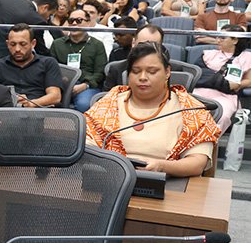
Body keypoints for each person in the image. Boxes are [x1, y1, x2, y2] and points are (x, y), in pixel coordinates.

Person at [86, 42, 221, 176]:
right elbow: (86, 147)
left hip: (169, 182)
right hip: (109, 179)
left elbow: (197, 163)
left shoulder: (190, 109)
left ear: (167, 72)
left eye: (152, 71)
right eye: (136, 71)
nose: (142, 77)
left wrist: (162, 166)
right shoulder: (109, 103)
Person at [193, 26, 251, 131]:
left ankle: (209, 140)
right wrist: (223, 82)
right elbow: (197, 74)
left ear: (235, 40)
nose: (218, 40)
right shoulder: (208, 54)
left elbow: (249, 81)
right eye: (218, 37)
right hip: (198, 92)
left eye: (222, 38)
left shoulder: (247, 57)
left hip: (226, 96)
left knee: (221, 116)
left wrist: (238, 84)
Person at [0, 24, 63, 108]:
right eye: (13, 44)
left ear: (33, 43)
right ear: (7, 44)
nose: (17, 49)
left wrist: (31, 103)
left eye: (23, 44)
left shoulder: (48, 63)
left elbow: (55, 97)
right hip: (8, 109)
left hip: (40, 110)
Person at [51, 7, 107, 111]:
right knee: (48, 100)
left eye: (79, 20)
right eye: (71, 20)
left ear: (88, 23)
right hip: (61, 85)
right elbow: (52, 69)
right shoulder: (57, 44)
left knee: (84, 104)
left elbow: (100, 72)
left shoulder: (97, 45)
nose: (74, 23)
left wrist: (85, 85)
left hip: (86, 85)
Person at [104, 24, 163, 90]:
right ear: (133, 43)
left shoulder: (170, 69)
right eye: (142, 45)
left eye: (153, 46)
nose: (147, 50)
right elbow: (107, 94)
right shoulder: (116, 69)